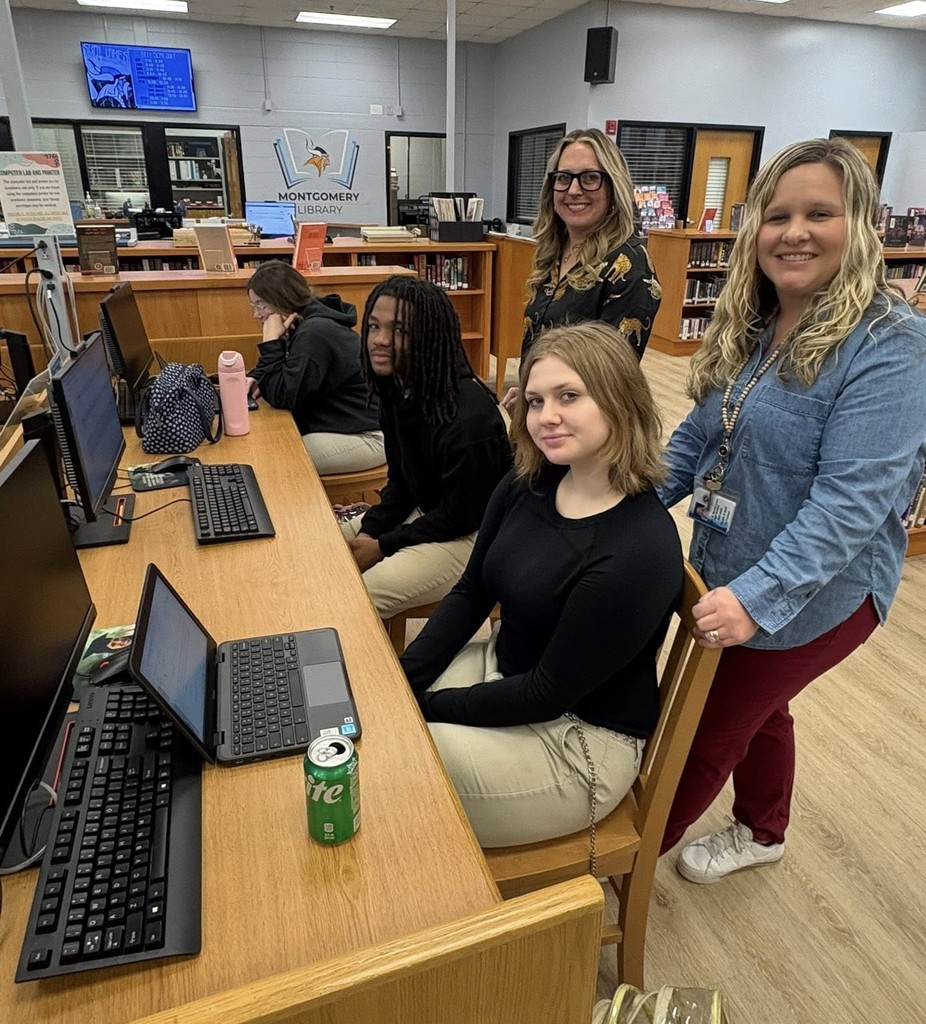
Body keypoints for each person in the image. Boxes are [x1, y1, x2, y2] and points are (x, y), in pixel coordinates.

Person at [658, 137, 926, 883]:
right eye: (778, 215)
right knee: (764, 709)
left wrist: (756, 599)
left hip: (824, 594)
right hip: (727, 559)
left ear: (863, 225)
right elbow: (695, 441)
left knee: (707, 731)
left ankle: (615, 877)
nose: (795, 232)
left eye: (820, 213)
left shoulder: (893, 346)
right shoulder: (755, 321)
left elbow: (850, 506)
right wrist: (617, 501)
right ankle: (764, 830)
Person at [401, 322, 682, 848]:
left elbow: (546, 695)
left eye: (568, 396)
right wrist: (403, 679)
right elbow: (470, 593)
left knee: (397, 760)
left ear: (620, 401)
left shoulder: (638, 549)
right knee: (380, 713)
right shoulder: (529, 481)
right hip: (510, 674)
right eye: (534, 400)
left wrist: (426, 706)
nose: (544, 417)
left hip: (579, 741)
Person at [341, 275, 511, 617]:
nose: (380, 340)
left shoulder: (469, 419)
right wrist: (371, 528)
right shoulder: (397, 391)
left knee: (360, 597)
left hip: (477, 536)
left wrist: (384, 545)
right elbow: (402, 483)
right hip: (435, 513)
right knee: (330, 549)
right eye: (374, 326)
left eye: (400, 331)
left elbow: (462, 517)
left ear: (430, 336)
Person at [502, 129, 661, 410]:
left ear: (613, 187)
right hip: (544, 421)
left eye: (590, 178)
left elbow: (608, 377)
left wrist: (542, 401)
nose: (574, 190)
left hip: (585, 435)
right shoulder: (553, 253)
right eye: (563, 178)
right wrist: (529, 392)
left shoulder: (628, 264)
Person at [244, 260, 385, 474]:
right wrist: (257, 375)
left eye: (260, 305)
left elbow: (283, 396)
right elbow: (287, 369)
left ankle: (315, 508)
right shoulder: (305, 322)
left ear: (281, 299)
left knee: (274, 461)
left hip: (368, 435)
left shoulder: (315, 332)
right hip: (341, 426)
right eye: (253, 306)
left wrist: (271, 342)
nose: (256, 314)